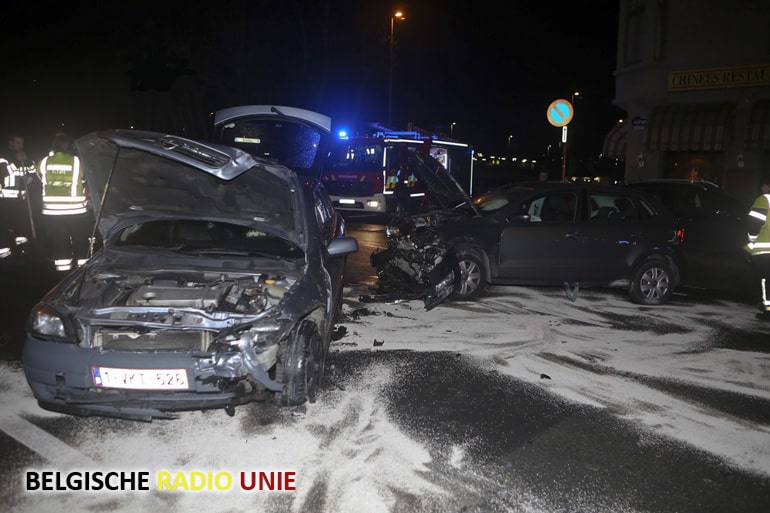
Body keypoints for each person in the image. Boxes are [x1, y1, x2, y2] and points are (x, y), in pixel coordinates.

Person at [37, 133, 91, 272]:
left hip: (52, 212)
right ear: (70, 146)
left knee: (60, 243)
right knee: (81, 241)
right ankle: (82, 272)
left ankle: (63, 274)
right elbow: (85, 180)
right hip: (76, 211)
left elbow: (40, 178)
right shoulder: (77, 161)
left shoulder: (44, 162)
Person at [745, 177, 770, 316]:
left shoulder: (764, 200)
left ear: (767, 186)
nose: (761, 189)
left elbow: (754, 224)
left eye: (763, 186)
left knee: (766, 279)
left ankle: (768, 310)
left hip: (765, 249)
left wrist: (751, 242)